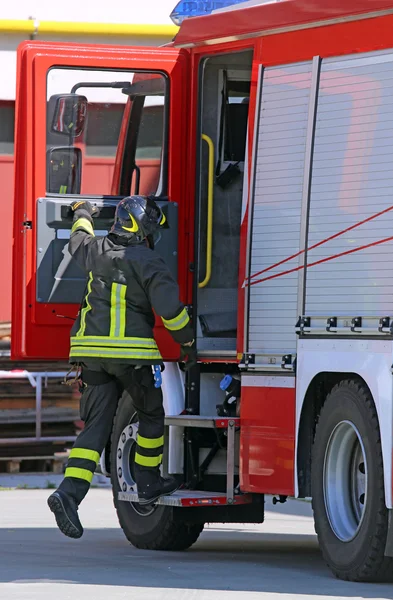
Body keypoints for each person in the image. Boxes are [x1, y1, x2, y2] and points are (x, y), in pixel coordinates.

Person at [47, 195, 196, 539]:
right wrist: (189, 342)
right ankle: (147, 481)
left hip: (91, 355)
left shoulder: (95, 250)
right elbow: (172, 313)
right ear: (142, 228)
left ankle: (68, 494)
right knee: (151, 414)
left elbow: (77, 237)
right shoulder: (149, 262)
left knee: (95, 428)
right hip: (132, 357)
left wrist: (82, 211)